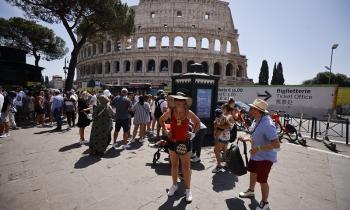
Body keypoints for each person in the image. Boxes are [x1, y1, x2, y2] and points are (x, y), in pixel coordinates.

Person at [238, 99, 280, 210]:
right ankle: (251, 191)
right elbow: (253, 135)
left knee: (262, 180)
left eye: (251, 108)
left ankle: (265, 203)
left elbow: (276, 144)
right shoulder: (257, 120)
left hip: (266, 158)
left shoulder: (267, 124)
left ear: (257, 111)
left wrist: (259, 148)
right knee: (252, 172)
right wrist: (246, 138)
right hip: (256, 155)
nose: (249, 110)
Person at [159, 92, 200, 202]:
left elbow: (197, 122)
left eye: (181, 100)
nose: (178, 102)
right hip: (172, 142)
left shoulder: (188, 113)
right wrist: (166, 131)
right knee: (174, 166)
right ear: (174, 101)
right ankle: (174, 185)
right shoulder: (171, 112)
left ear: (185, 102)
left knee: (186, 168)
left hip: (184, 143)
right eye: (177, 99)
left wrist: (193, 133)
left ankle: (188, 190)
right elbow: (161, 120)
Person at [212, 104, 234, 173]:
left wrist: (218, 125)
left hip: (222, 137)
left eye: (222, 108)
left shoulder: (227, 117)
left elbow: (229, 126)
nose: (221, 109)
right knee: (224, 150)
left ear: (225, 109)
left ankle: (219, 165)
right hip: (225, 137)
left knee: (216, 150)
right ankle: (227, 164)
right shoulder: (223, 116)